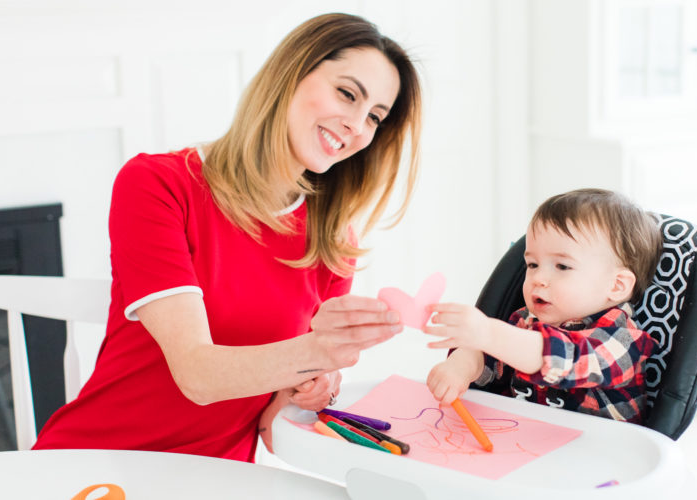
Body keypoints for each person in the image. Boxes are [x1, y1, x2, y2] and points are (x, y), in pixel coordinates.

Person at [32, 13, 422, 461]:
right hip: (97, 463)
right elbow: (198, 375)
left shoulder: (333, 241)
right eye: (347, 93)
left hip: (220, 478)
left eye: (375, 117)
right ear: (290, 74)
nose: (357, 125)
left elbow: (270, 429)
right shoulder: (158, 184)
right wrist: (317, 350)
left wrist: (312, 387)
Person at [424, 189, 661, 423]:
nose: (538, 278)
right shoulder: (525, 321)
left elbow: (559, 356)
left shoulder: (622, 341)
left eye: (562, 266)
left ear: (617, 285)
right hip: (530, 443)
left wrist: (488, 333)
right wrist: (463, 364)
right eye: (532, 264)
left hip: (603, 455)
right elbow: (489, 356)